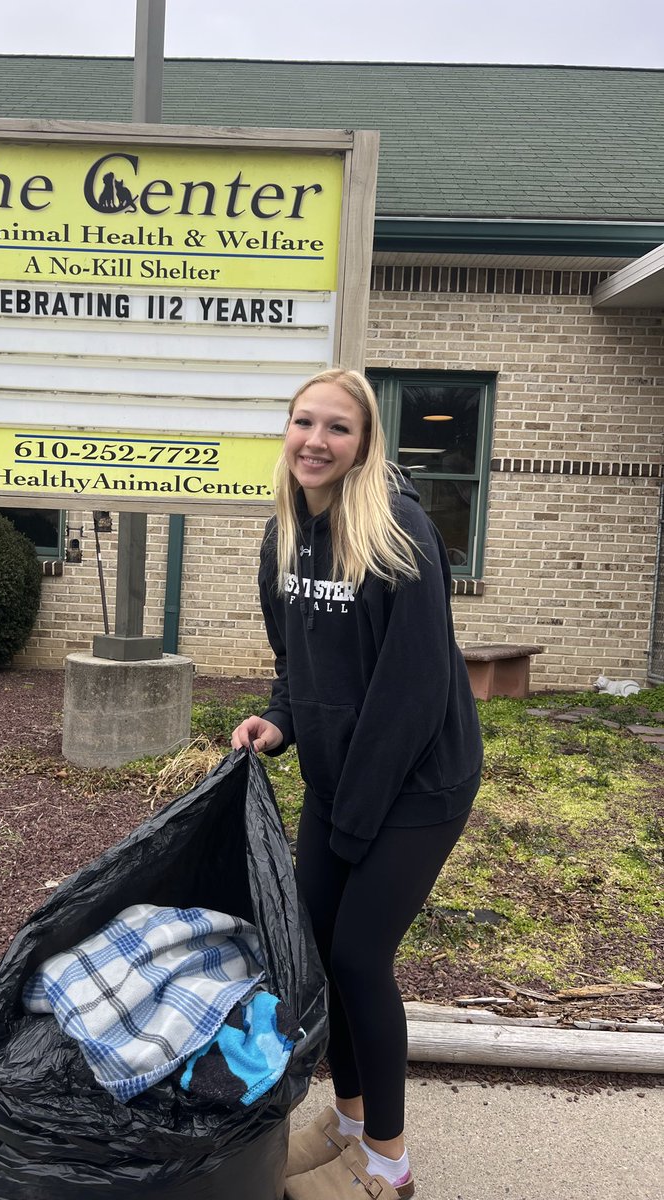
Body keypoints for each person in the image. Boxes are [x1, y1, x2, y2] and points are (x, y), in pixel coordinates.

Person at [231, 368, 482, 1200]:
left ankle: (389, 1161)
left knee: (358, 957)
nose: (316, 440)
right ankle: (347, 1121)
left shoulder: (398, 533)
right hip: (343, 777)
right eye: (304, 422)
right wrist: (280, 723)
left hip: (418, 781)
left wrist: (352, 822)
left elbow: (410, 694)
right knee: (316, 955)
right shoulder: (284, 535)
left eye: (338, 428)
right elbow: (296, 661)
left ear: (365, 443)